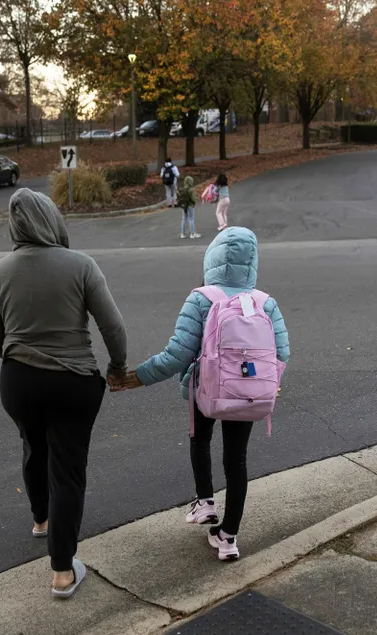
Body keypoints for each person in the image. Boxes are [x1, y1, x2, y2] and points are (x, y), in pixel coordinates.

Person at [0, 188, 128, 599]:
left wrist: (21, 360)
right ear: (53, 220)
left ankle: (41, 519)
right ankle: (62, 569)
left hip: (19, 382)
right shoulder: (81, 265)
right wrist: (116, 367)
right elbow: (112, 327)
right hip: (73, 382)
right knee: (68, 469)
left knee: (33, 445)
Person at [111, 227, 290, 562]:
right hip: (248, 394)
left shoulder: (201, 298)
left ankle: (205, 502)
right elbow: (282, 353)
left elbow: (177, 355)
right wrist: (262, 381)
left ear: (213, 258)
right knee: (237, 460)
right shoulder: (265, 302)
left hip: (206, 390)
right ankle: (228, 538)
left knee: (200, 439)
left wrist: (137, 378)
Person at [178, 175, 201, 239]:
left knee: (184, 218)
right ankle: (192, 233)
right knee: (191, 219)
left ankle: (182, 234)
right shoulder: (191, 190)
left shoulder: (182, 189)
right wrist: (195, 202)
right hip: (190, 205)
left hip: (184, 206)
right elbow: (193, 199)